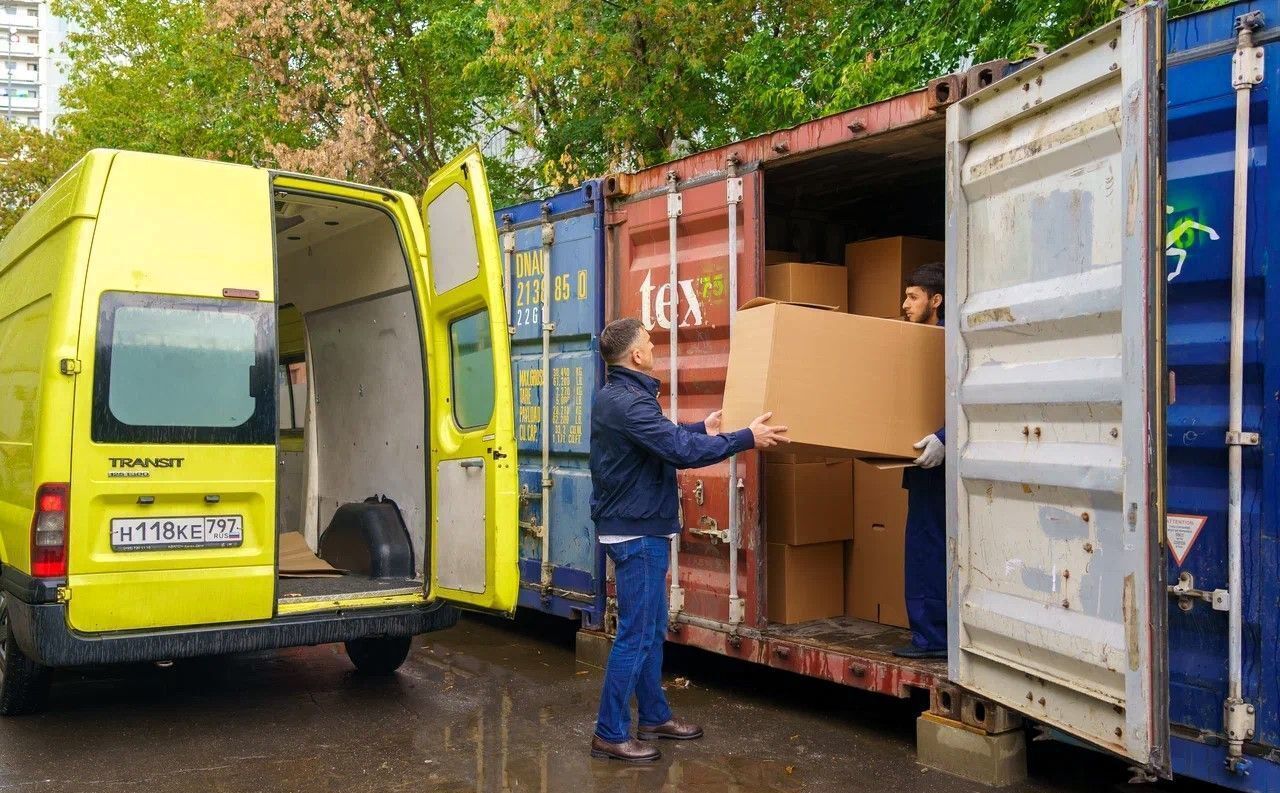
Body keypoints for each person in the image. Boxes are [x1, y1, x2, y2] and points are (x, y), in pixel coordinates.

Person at [588, 317, 789, 762]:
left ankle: (654, 716)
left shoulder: (619, 396)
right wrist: (745, 438)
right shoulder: (630, 402)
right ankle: (609, 731)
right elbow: (677, 452)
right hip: (638, 532)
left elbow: (665, 439)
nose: (654, 346)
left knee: (651, 630)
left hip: (639, 525)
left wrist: (704, 428)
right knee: (636, 636)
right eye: (649, 341)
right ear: (636, 355)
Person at [894, 261, 948, 660]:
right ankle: (932, 634)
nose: (904, 305)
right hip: (922, 464)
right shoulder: (909, 344)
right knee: (924, 547)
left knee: (927, 548)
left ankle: (932, 638)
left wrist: (946, 439)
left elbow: (971, 399)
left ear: (936, 300)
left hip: (942, 465)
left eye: (913, 297)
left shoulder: (949, 344)